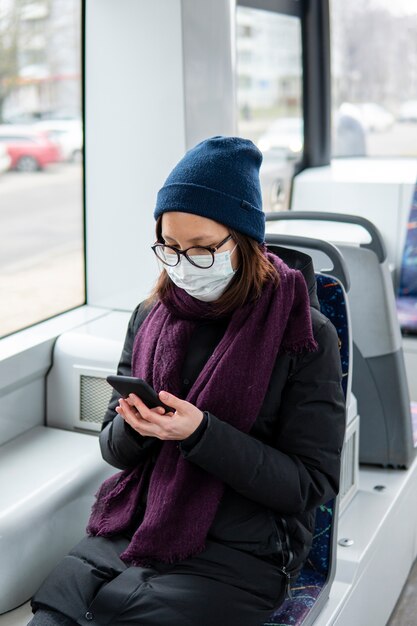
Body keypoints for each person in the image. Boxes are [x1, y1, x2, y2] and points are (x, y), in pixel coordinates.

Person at [28, 136, 346, 626]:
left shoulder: (305, 335)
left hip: (245, 551)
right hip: (138, 526)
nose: (182, 264)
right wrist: (135, 426)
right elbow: (113, 452)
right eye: (170, 247)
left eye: (202, 249)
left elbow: (311, 486)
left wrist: (201, 435)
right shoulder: (151, 315)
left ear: (243, 242)